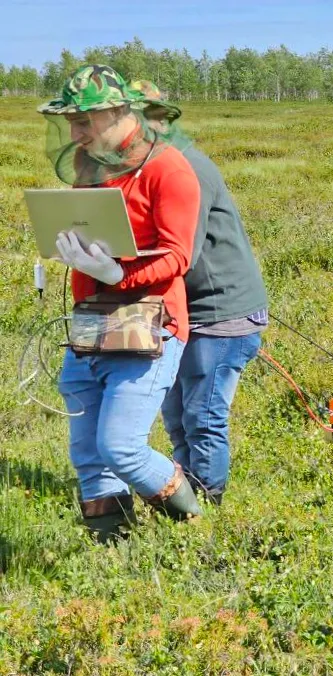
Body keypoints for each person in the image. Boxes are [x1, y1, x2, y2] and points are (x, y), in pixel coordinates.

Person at [41, 65, 203, 542]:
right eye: (68, 122)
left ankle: (192, 528)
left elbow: (178, 256)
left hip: (149, 327)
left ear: (115, 113)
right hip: (89, 326)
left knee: (121, 447)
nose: (74, 133)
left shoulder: (168, 169)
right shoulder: (91, 170)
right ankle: (112, 549)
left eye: (82, 122)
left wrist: (119, 274)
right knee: (90, 453)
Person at [127, 80, 269, 506]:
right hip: (180, 315)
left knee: (202, 417)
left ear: (158, 122)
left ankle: (207, 508)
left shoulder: (184, 168)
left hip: (222, 315)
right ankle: (185, 500)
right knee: (176, 417)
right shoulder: (144, 169)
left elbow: (178, 252)